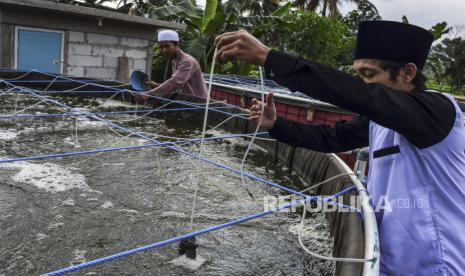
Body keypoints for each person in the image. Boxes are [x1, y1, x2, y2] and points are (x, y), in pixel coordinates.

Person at [215, 21, 465, 275]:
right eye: (358, 76)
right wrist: (275, 124)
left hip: (438, 263)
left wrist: (270, 59)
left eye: (369, 75)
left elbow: (359, 95)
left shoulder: (438, 111)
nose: (361, 84)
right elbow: (331, 138)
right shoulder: (379, 121)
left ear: (408, 72)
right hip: (389, 260)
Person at [135, 30, 207, 103]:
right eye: (161, 47)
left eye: (167, 46)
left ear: (177, 44)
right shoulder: (175, 61)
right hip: (189, 101)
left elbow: (175, 82)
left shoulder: (187, 62)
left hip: (200, 104)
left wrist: (149, 94)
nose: (164, 50)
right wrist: (158, 85)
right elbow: (178, 85)